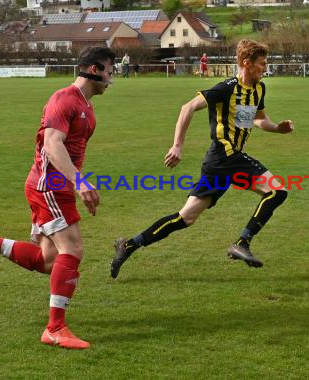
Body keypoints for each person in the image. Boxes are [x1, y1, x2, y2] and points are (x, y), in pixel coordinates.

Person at [0, 47, 116, 350]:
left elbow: (70, 151)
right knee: (73, 249)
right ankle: (55, 328)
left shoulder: (87, 107)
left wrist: (76, 182)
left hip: (56, 185)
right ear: (94, 69)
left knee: (48, 260)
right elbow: (53, 145)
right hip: (49, 186)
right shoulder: (64, 99)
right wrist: (79, 182)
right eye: (110, 70)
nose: (112, 78)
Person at [110, 39, 295, 279]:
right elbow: (187, 107)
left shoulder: (259, 89)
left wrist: (277, 128)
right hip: (225, 157)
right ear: (246, 63)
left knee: (185, 217)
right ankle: (242, 242)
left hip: (222, 163)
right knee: (277, 191)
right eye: (261, 63)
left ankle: (129, 245)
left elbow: (257, 119)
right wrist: (177, 146)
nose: (265, 67)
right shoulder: (226, 87)